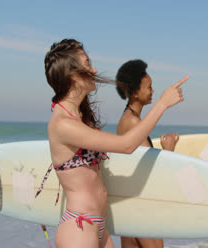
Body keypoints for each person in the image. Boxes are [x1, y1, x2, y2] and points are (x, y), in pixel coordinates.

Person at [36, 38, 188, 248]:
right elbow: (126, 145)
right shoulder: (63, 124)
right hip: (79, 229)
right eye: (87, 64)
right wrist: (162, 104)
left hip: (98, 227)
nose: (94, 68)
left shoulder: (78, 118)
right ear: (72, 75)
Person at [116, 59, 179, 248]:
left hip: (130, 205)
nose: (152, 91)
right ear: (135, 92)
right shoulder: (133, 123)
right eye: (149, 87)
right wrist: (168, 151)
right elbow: (149, 170)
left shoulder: (128, 119)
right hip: (140, 207)